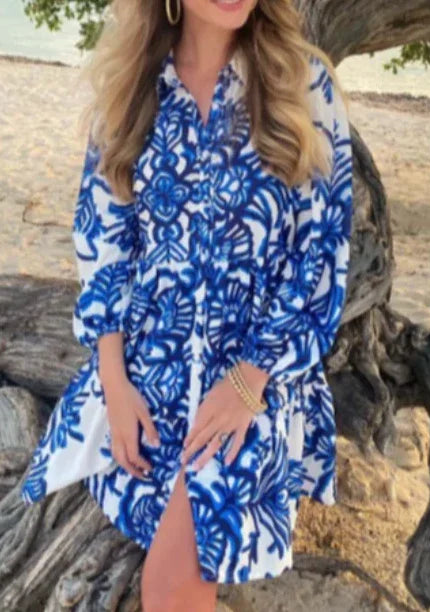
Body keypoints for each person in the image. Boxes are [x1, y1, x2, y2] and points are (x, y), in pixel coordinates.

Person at [21, 0, 353, 609]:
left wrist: (249, 382)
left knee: (169, 582)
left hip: (257, 380)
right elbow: (105, 244)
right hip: (149, 380)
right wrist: (114, 383)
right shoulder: (135, 88)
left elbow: (321, 258)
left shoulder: (303, 84)